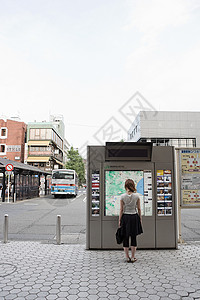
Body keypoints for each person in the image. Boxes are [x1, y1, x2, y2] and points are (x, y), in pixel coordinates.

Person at [118, 179, 143, 263]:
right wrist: (140, 218)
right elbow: (139, 208)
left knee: (125, 237)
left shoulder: (122, 196)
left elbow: (121, 209)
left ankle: (127, 257)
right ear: (133, 186)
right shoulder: (137, 196)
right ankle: (133, 257)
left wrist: (120, 220)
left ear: (126, 186)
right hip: (134, 217)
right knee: (133, 237)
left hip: (125, 217)